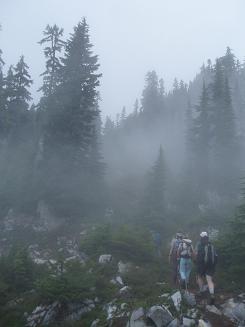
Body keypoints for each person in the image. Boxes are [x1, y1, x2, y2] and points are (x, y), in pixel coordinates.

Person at [195, 231, 218, 305]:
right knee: (209, 280)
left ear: (201, 237)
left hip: (201, 265)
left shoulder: (199, 244)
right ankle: (212, 295)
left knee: (199, 277)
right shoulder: (211, 245)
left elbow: (196, 254)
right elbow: (216, 256)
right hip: (211, 265)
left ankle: (201, 291)